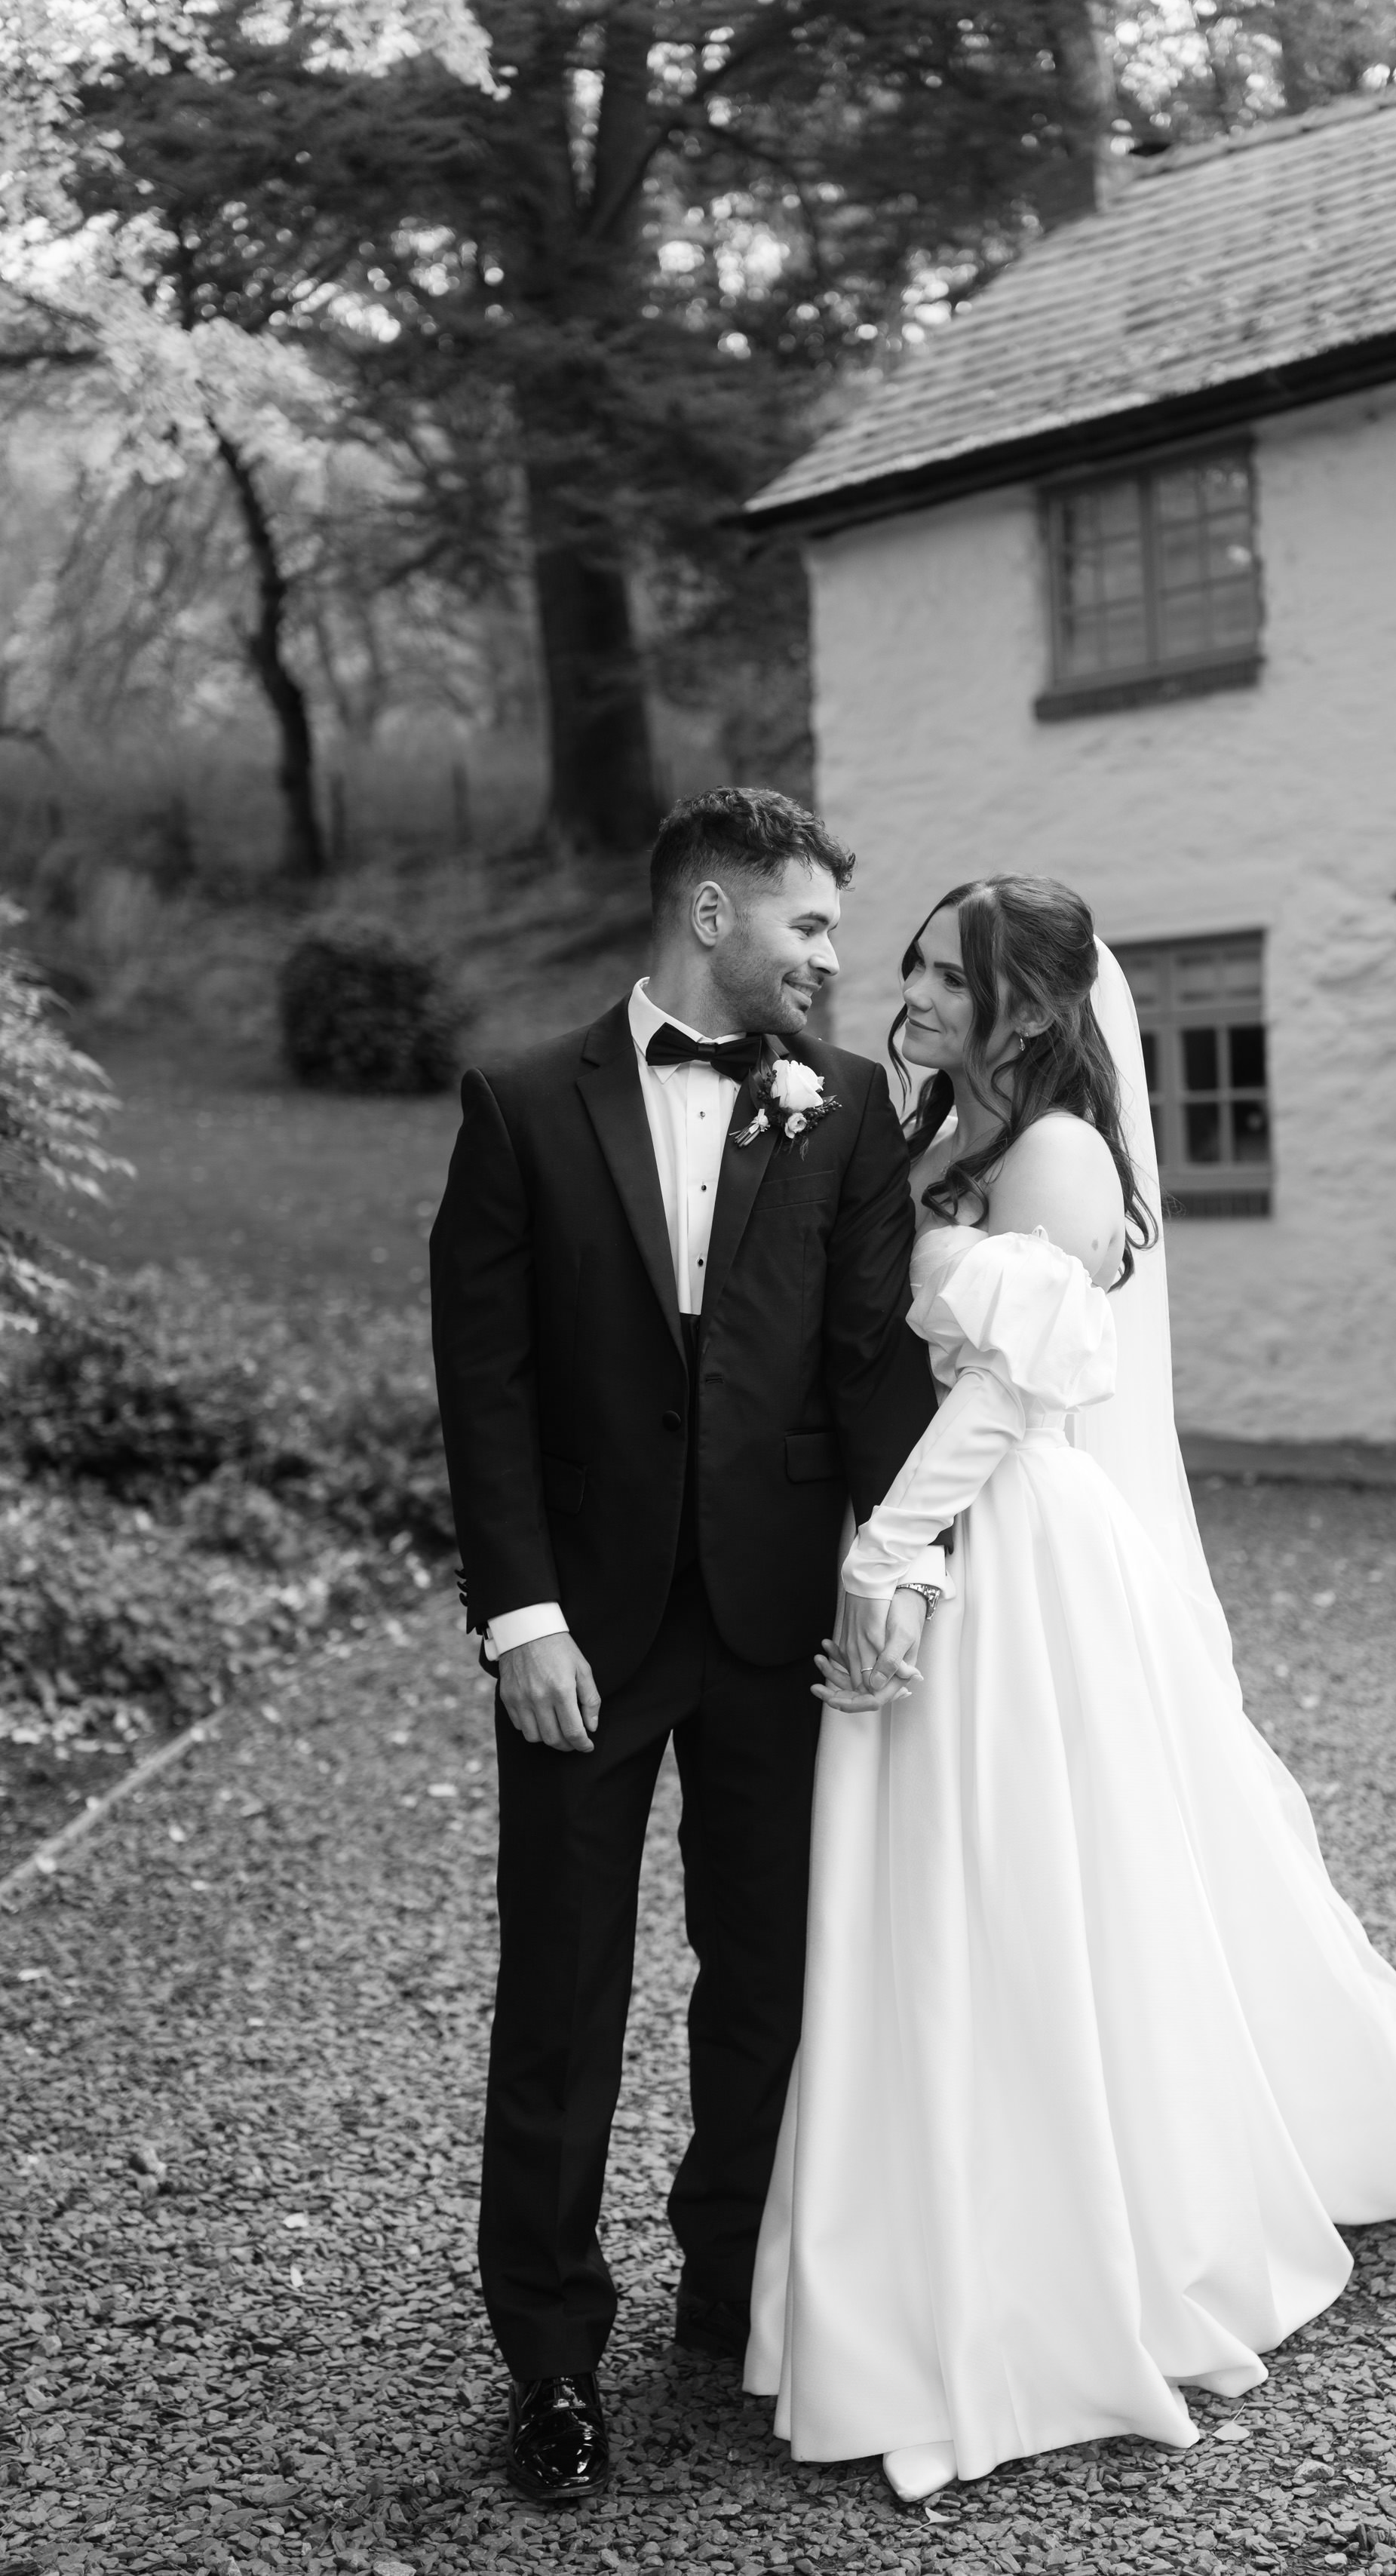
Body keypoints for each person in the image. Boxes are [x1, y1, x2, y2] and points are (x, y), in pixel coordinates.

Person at [744, 874, 1396, 2502]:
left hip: (1010, 1560)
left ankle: (1059, 2282)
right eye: (913, 961)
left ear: (1033, 1006)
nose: (910, 989)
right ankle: (904, 2264)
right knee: (928, 1911)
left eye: (946, 971)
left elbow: (1017, 1389)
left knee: (1025, 1902)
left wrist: (890, 1560)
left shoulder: (1055, 1152)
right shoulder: (934, 1135)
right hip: (931, 1537)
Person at [429, 788, 947, 2506]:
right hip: (582, 1631)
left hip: (779, 1620)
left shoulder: (852, 1110)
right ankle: (554, 2357)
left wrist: (901, 1575)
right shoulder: (516, 1106)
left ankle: (734, 2290)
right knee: (564, 1994)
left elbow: (870, 1369)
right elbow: (485, 1387)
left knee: (777, 1974)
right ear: (710, 911)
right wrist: (520, 1617)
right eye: (807, 925)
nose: (831, 958)